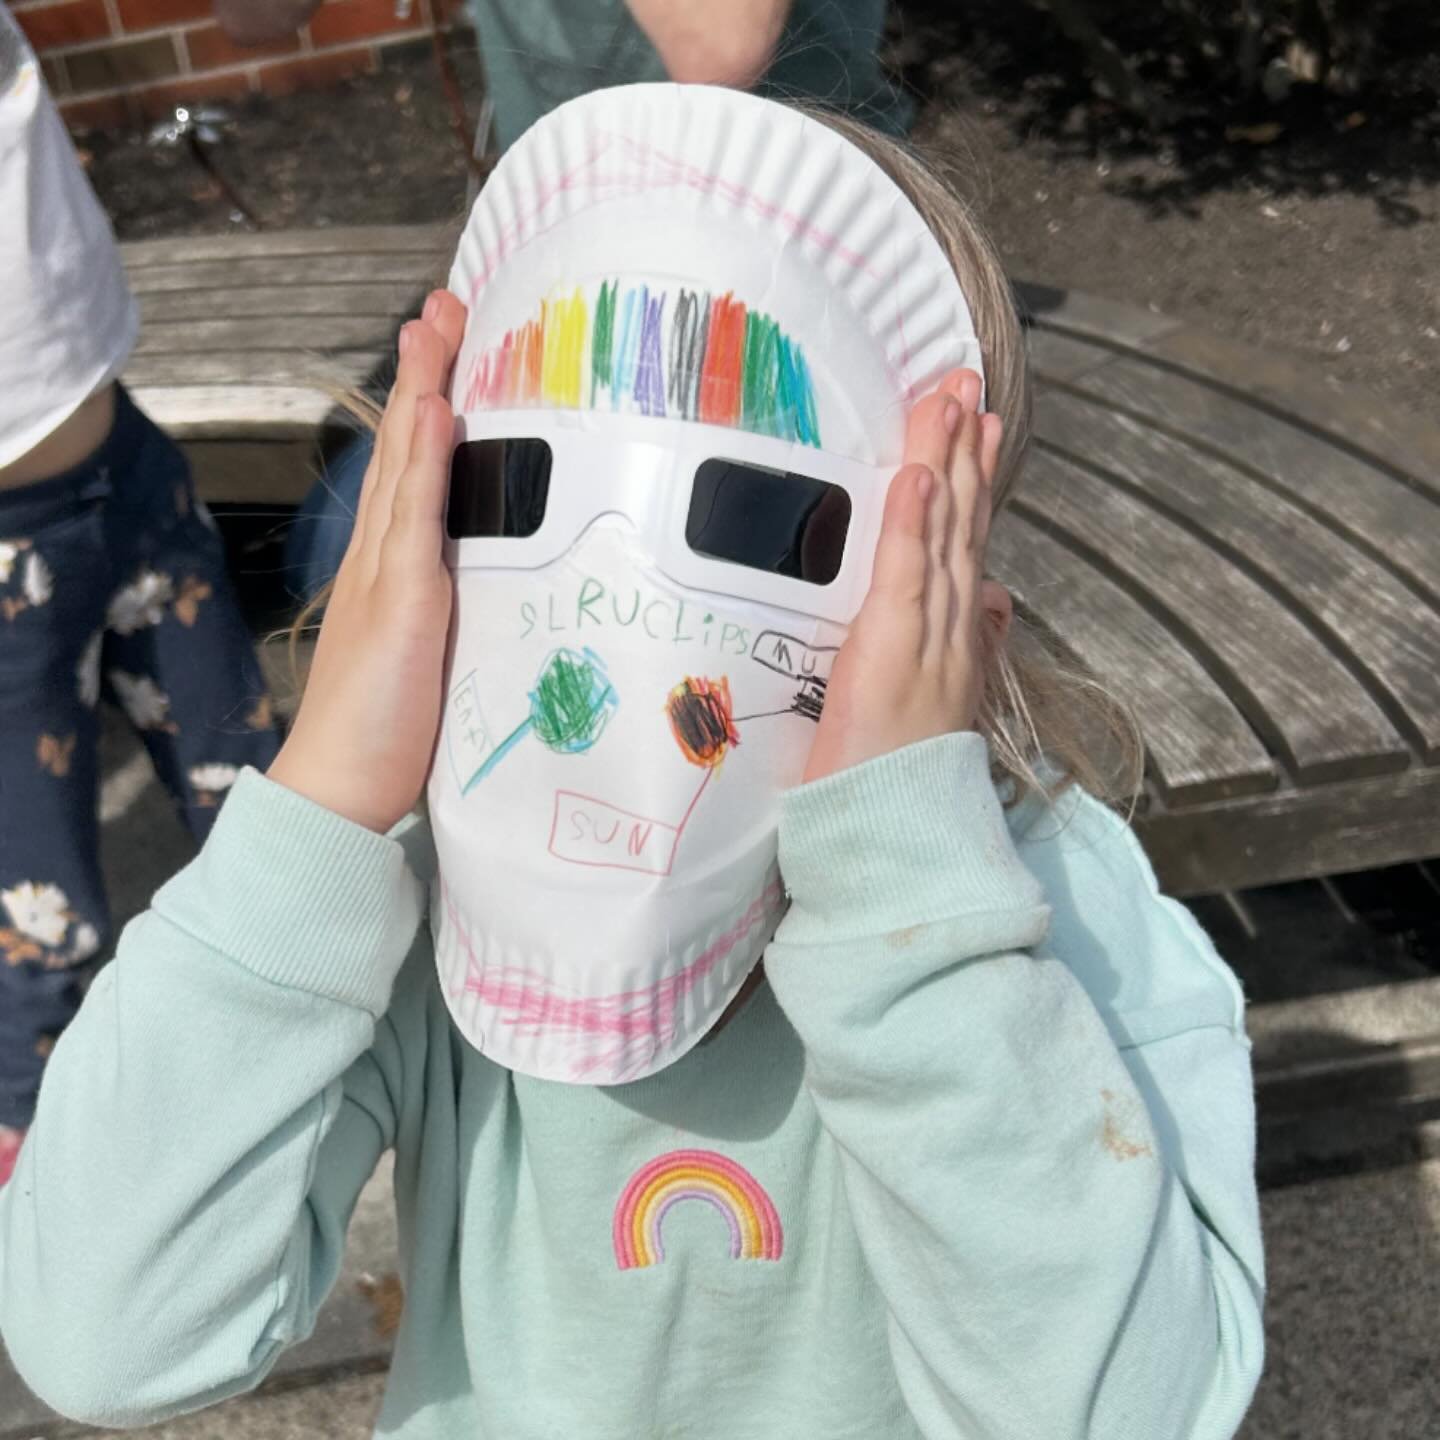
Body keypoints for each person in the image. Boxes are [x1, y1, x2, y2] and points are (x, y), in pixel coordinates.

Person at [0, 86, 1264, 1439]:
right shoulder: (419, 910)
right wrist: (323, 805)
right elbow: (103, 1332)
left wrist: (916, 913)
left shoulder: (1058, 921)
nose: (621, 624)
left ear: (961, 621)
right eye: (516, 494)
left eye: (760, 519)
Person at [214, 0, 909, 598]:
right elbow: (255, 19)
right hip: (565, 258)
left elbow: (720, 41)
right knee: (335, 554)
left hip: (786, 262)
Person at [0, 13, 280, 1187]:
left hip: (127, 465)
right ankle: (35, 1142)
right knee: (42, 907)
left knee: (254, 787)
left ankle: (314, 1019)